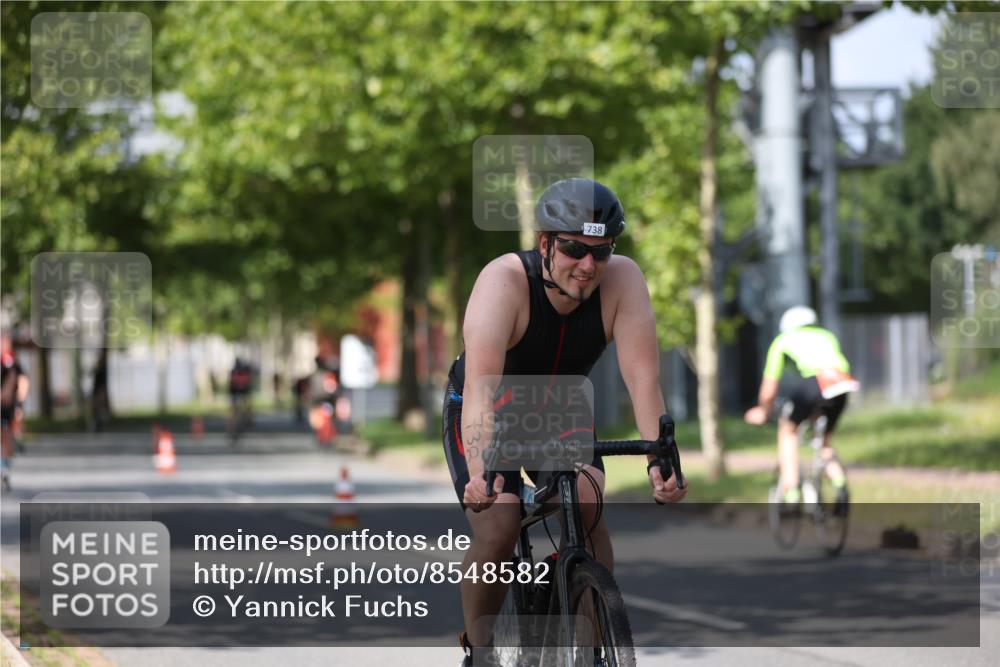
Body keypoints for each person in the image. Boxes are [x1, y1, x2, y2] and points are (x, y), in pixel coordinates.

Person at [442, 178, 687, 665]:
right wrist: (480, 475)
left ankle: (592, 650)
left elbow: (642, 380)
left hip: (557, 407)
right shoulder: (504, 281)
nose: (588, 265)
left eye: (602, 251)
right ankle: (480, 649)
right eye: (574, 249)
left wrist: (660, 457)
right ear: (546, 244)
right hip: (486, 401)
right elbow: (479, 389)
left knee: (590, 504)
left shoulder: (623, 280)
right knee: (498, 527)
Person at [743, 306, 859, 506]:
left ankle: (791, 490)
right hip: (842, 384)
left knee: (788, 431)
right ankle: (839, 482)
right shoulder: (826, 335)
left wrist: (763, 411)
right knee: (824, 442)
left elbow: (769, 390)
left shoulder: (782, 341)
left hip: (815, 383)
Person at [1, 337, 29, 490]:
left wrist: (18, 400)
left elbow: (15, 378)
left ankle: (4, 467)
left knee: (5, 434)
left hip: (5, 405)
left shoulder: (8, 359)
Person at [227, 357, 254, 439]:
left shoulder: (233, 371)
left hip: (235, 392)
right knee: (246, 405)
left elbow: (232, 383)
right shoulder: (244, 370)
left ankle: (231, 429)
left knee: (233, 411)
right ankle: (249, 418)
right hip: (241, 392)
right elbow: (247, 383)